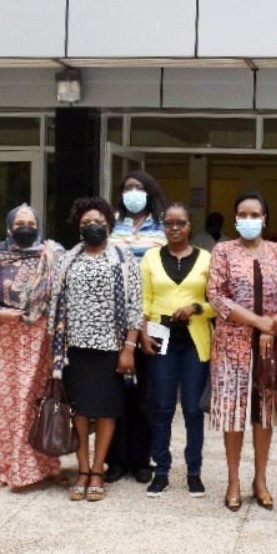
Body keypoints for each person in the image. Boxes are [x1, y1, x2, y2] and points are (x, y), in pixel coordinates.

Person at [48, 197, 144, 502]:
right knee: (79, 409)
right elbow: (55, 305)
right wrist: (56, 349)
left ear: (109, 225)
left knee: (105, 410)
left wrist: (129, 347)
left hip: (111, 348)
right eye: (87, 222)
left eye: (99, 222)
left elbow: (135, 307)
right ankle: (83, 469)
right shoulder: (68, 258)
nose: (93, 227)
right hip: (75, 348)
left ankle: (98, 471)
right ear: (79, 225)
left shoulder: (123, 258)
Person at [206, 192, 277, 512]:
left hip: (272, 344)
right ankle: (233, 480)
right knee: (233, 411)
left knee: (265, 411)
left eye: (254, 214)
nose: (248, 219)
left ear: (264, 218)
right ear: (235, 218)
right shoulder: (223, 251)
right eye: (242, 214)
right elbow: (215, 296)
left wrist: (274, 325)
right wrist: (260, 322)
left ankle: (261, 479)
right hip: (233, 343)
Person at [0, 204, 66, 490]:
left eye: (30, 222)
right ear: (10, 226)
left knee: (37, 403)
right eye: (19, 222)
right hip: (2, 338)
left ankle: (44, 466)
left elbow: (62, 296)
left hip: (39, 339)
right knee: (1, 405)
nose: (25, 226)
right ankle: (1, 467)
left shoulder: (52, 255)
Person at [140, 202, 216, 498]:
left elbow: (217, 304)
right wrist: (143, 333)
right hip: (161, 341)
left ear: (189, 225)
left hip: (195, 343)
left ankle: (194, 472)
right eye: (169, 223)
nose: (174, 228)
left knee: (194, 411)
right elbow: (144, 299)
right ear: (163, 226)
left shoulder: (206, 259)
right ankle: (161, 470)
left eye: (180, 223)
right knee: (162, 408)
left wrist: (197, 307)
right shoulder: (150, 258)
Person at [105, 170, 168, 484]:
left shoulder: (162, 226)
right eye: (127, 187)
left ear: (149, 192)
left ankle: (143, 460)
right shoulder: (111, 223)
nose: (132, 192)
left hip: (151, 321)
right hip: (111, 322)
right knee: (114, 394)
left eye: (138, 187)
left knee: (147, 395)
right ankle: (115, 460)